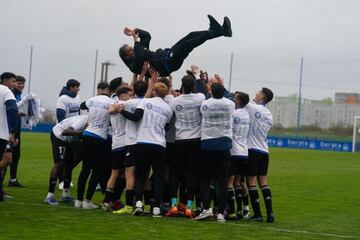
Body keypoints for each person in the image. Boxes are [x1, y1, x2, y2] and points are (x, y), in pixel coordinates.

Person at [118, 82, 173, 217]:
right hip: (159, 144)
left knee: (141, 175)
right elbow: (166, 126)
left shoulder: (145, 102)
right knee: (159, 177)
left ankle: (138, 204)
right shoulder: (168, 109)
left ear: (154, 91)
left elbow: (136, 117)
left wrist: (121, 111)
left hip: (143, 142)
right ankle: (155, 208)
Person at [119, 15, 232, 77]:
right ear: (126, 57)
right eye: (130, 51)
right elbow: (140, 55)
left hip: (167, 55)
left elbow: (147, 36)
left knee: (190, 35)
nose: (132, 50)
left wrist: (136, 31)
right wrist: (135, 41)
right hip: (169, 64)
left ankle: (218, 31)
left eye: (131, 48)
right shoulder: (133, 66)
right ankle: (218, 31)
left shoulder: (138, 49)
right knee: (187, 45)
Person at [194, 82, 235, 223]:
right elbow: (230, 98)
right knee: (222, 180)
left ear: (211, 91)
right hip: (224, 143)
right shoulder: (230, 104)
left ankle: (206, 208)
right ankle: (220, 213)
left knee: (205, 178)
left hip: (208, 143)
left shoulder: (205, 104)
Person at [167, 73, 205, 218]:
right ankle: (189, 207)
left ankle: (173, 205)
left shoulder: (175, 101)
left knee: (175, 174)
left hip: (180, 140)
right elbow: (203, 93)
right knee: (192, 174)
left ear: (181, 86)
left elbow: (169, 118)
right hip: (196, 140)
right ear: (194, 86)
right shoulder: (199, 97)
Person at [75, 82, 112, 209]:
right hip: (100, 137)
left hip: (87, 134)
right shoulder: (111, 102)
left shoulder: (92, 99)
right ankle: (87, 201)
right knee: (96, 171)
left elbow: (81, 105)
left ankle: (78, 200)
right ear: (109, 90)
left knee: (85, 169)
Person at [113, 80, 148, 214]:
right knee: (144, 175)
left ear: (133, 91)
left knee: (129, 173)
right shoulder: (148, 103)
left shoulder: (126, 103)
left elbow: (112, 108)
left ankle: (128, 205)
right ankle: (145, 204)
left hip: (132, 143)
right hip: (145, 142)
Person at [44, 114, 88, 205]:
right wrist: (81, 133)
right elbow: (65, 131)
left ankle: (65, 195)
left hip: (71, 140)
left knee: (69, 164)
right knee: (59, 163)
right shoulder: (83, 120)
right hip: (59, 136)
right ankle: (49, 196)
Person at [245, 87, 275, 223]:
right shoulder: (269, 115)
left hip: (252, 150)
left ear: (262, 96)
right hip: (264, 151)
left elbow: (240, 99)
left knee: (251, 182)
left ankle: (257, 214)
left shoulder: (253, 108)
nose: (255, 94)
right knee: (263, 182)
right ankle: (270, 213)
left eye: (258, 92)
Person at [101, 87, 133, 211]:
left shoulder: (114, 105)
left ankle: (107, 201)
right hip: (126, 143)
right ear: (123, 95)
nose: (131, 97)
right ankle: (117, 200)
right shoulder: (125, 104)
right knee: (127, 174)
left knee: (114, 175)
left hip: (115, 144)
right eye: (129, 94)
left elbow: (110, 110)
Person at [226, 92, 250, 220]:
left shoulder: (234, 114)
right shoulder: (247, 115)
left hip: (234, 152)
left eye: (235, 98)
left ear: (239, 100)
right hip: (244, 153)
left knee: (229, 182)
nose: (233, 100)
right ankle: (240, 210)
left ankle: (232, 211)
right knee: (238, 182)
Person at [0, 72, 18, 201]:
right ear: (5, 81)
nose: (15, 84)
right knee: (6, 160)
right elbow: (12, 110)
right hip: (2, 134)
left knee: (7, 160)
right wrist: (11, 131)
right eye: (13, 81)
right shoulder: (5, 90)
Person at [7, 75, 27, 187]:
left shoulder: (20, 96)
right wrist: (12, 133)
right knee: (6, 158)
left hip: (17, 130)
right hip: (9, 131)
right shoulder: (11, 95)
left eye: (23, 83)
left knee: (16, 155)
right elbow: (11, 113)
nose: (21, 85)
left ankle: (13, 180)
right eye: (18, 83)